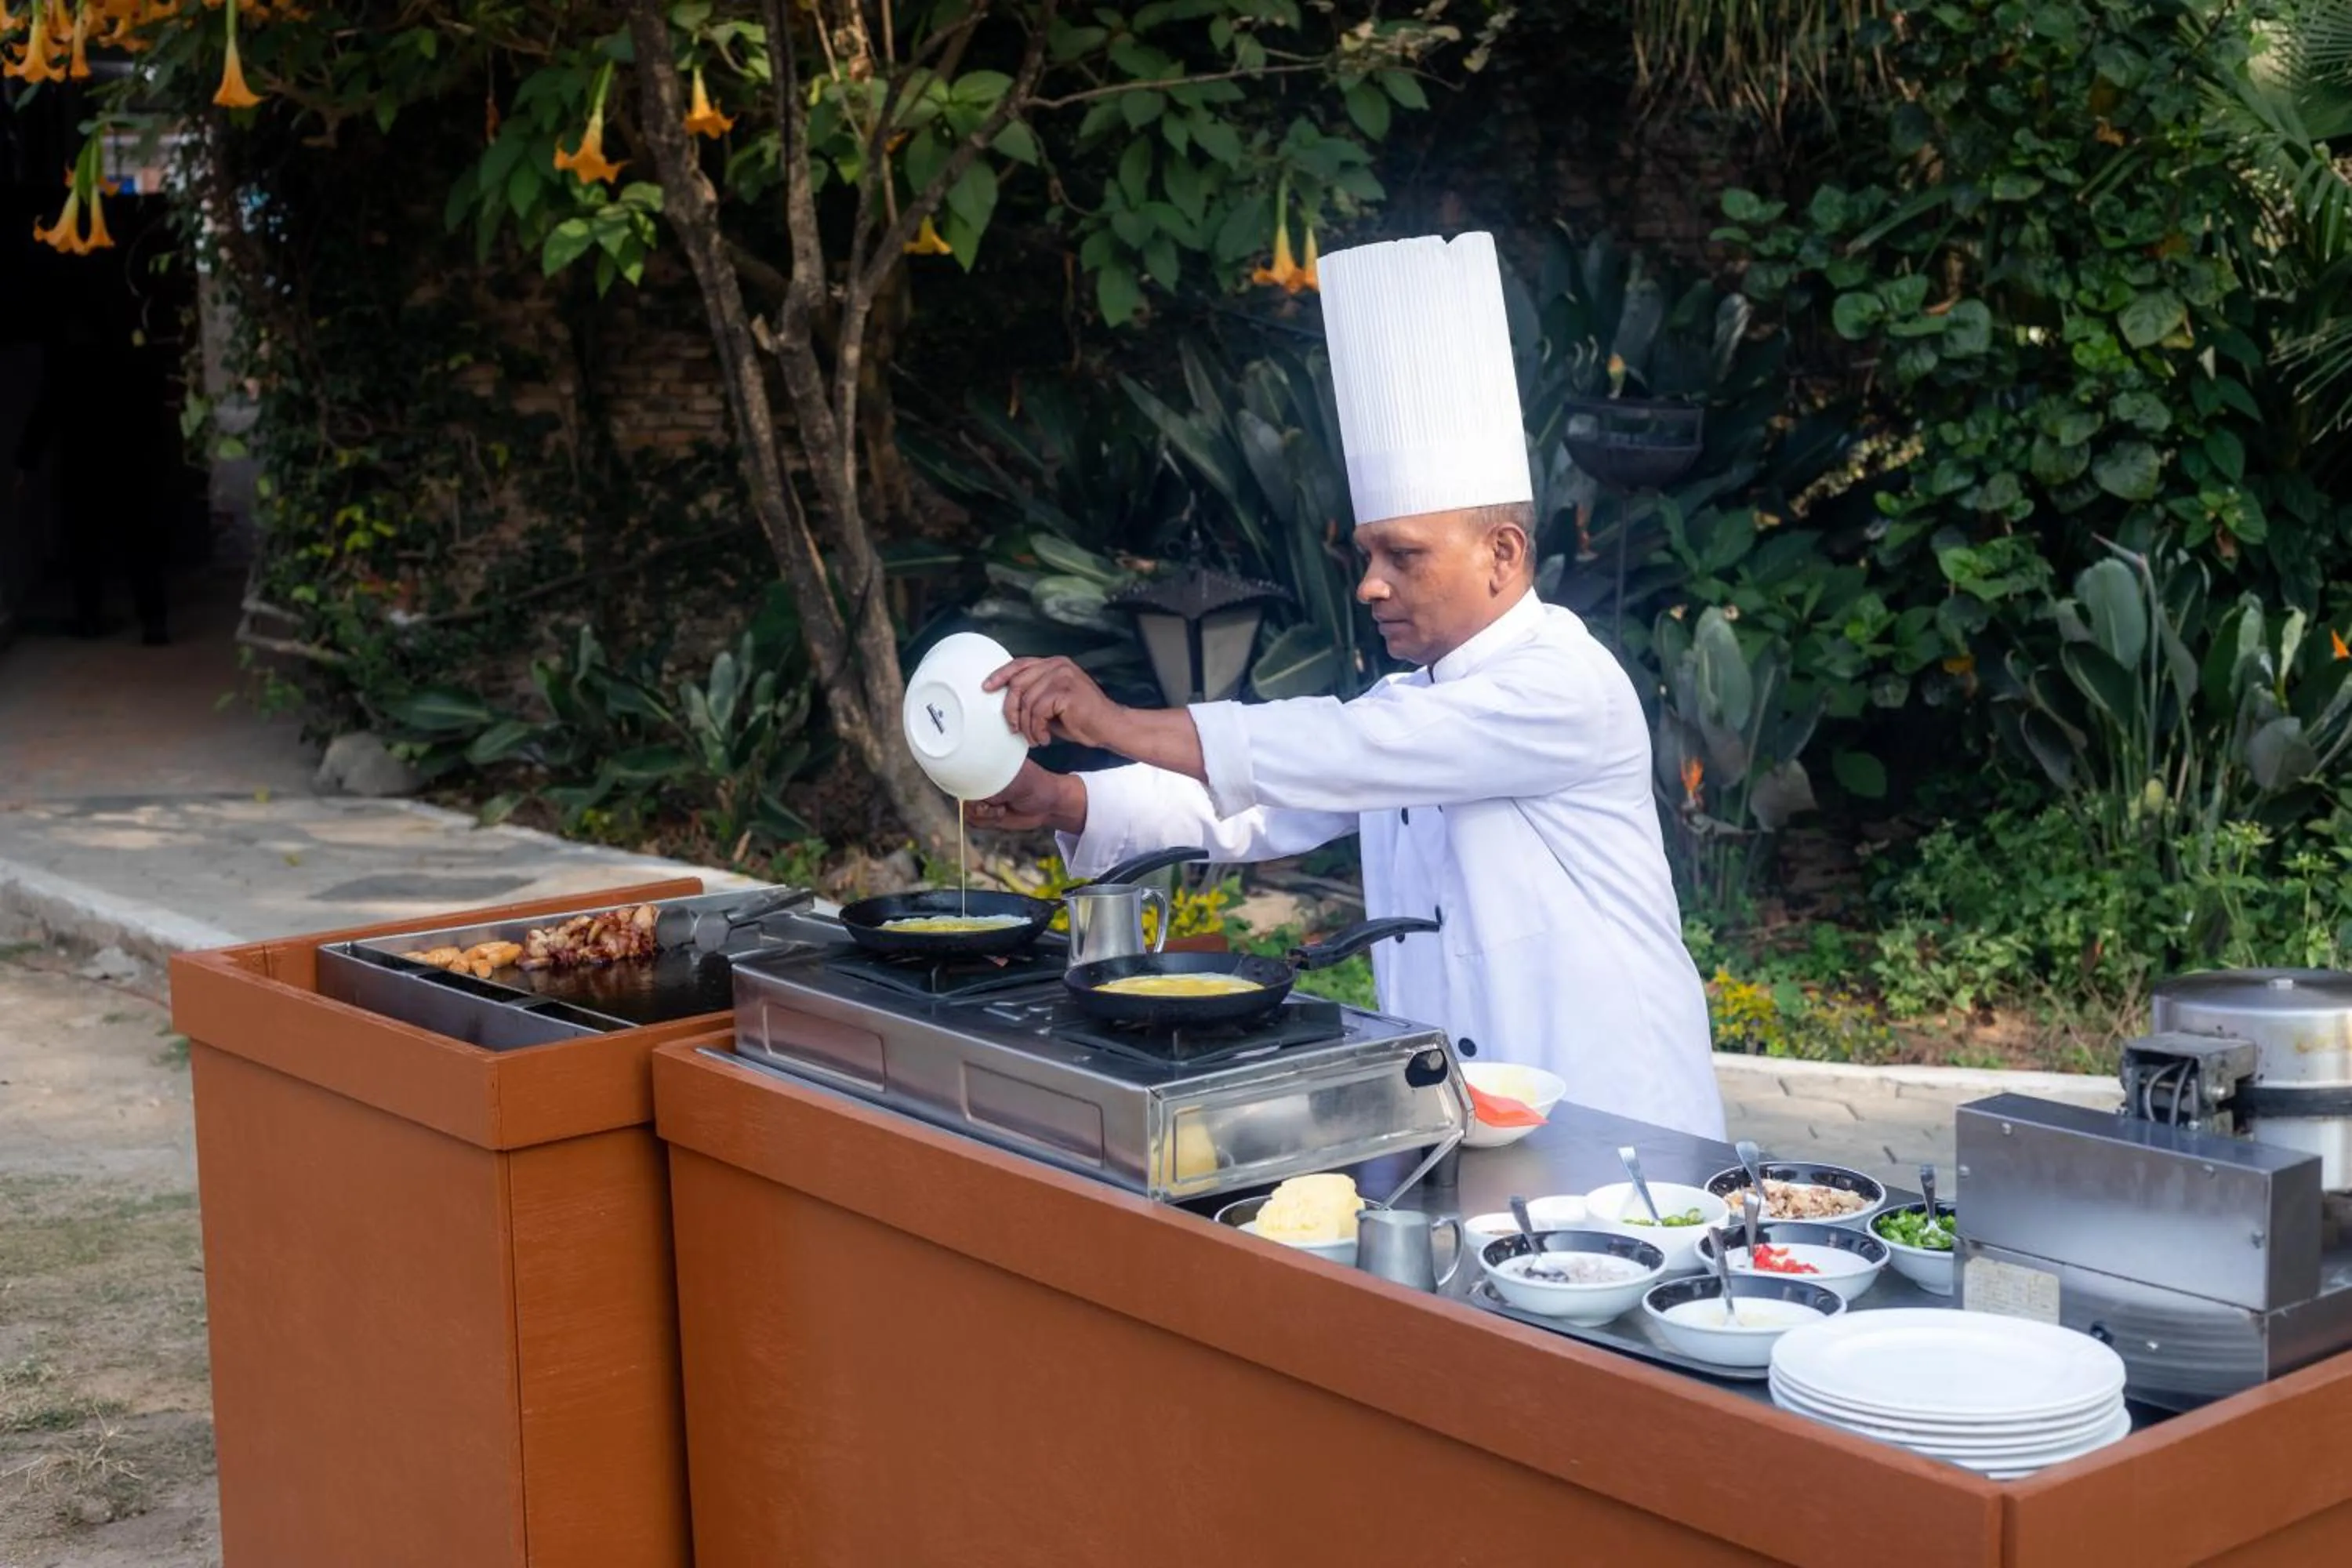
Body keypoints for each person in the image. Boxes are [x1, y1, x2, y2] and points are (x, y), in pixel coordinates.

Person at [967, 232, 1723, 1141]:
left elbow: (1338, 749)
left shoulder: (1564, 685)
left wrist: (1116, 719)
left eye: (1401, 555)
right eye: (1366, 554)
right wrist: (1062, 795)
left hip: (1615, 1114)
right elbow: (1258, 805)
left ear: (1503, 554)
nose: (1369, 583)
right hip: (1465, 1106)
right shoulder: (1425, 695)